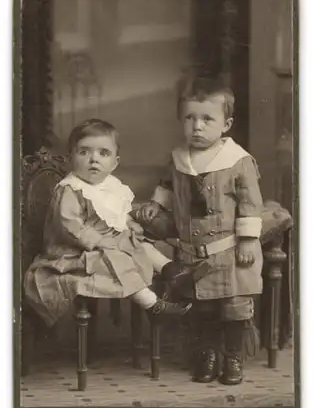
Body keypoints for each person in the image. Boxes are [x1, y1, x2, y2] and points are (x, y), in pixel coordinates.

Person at [137, 74, 264, 385]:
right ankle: (206, 355)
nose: (197, 126)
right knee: (202, 309)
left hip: (230, 252)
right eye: (190, 118)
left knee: (234, 308)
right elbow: (168, 185)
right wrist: (158, 203)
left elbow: (250, 203)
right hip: (194, 254)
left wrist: (248, 239)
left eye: (207, 119)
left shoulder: (238, 161)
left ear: (226, 124)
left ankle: (232, 357)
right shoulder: (179, 159)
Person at [24, 118, 201, 329]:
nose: (93, 160)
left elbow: (114, 214)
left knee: (137, 242)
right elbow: (70, 226)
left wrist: (128, 224)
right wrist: (101, 241)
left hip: (100, 242)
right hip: (71, 251)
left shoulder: (109, 187)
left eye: (103, 153)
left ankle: (171, 270)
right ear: (71, 158)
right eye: (84, 152)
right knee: (116, 256)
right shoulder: (70, 189)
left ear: (115, 162)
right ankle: (153, 306)